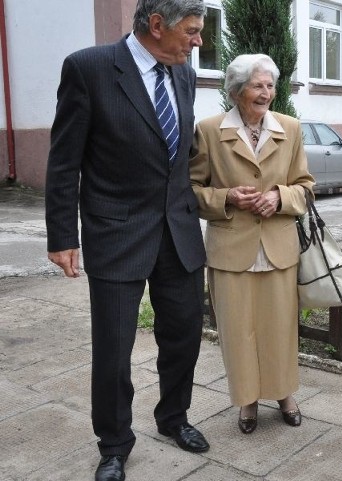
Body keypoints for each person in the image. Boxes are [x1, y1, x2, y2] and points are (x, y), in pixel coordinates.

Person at [45, 1, 210, 480]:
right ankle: (114, 444)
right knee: (114, 349)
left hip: (177, 231)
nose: (198, 41)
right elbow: (64, 160)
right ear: (156, 26)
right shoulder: (89, 68)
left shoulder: (181, 72)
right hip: (116, 231)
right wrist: (62, 235)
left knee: (183, 335)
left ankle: (173, 417)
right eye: (192, 31)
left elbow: (176, 152)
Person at [189, 54, 315, 435]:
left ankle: (284, 396)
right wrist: (227, 198)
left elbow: (306, 187)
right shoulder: (209, 130)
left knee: (280, 327)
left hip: (278, 247)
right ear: (236, 91)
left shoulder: (290, 128)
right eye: (258, 85)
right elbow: (191, 191)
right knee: (238, 330)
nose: (266, 93)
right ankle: (246, 401)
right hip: (231, 249)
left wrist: (279, 197)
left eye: (271, 85)